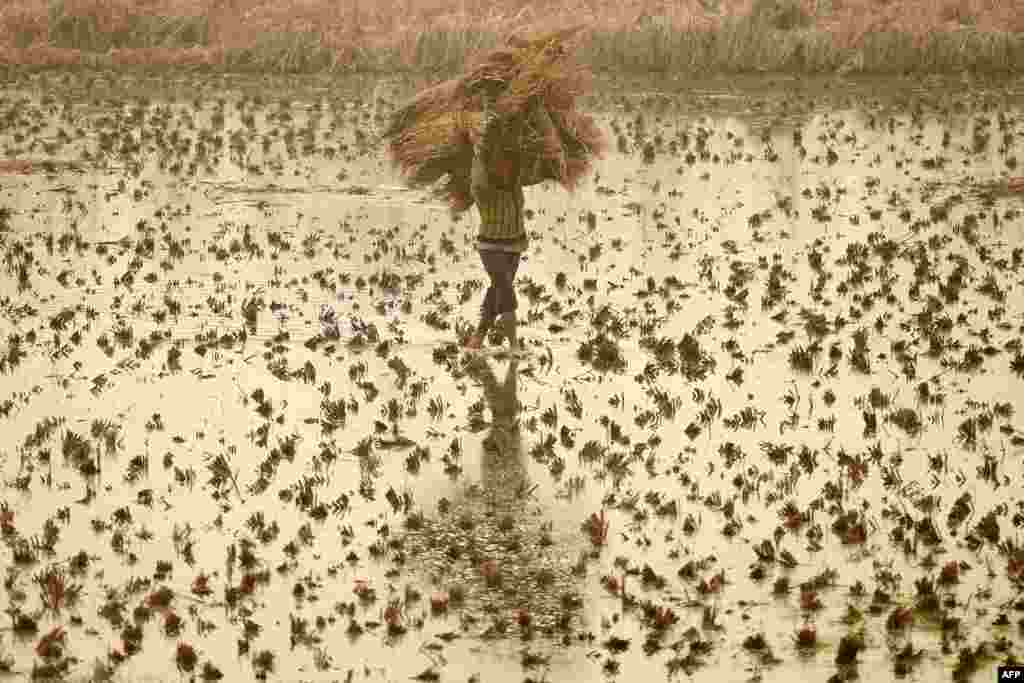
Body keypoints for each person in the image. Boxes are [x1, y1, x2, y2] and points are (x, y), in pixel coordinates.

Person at [463, 80, 550, 354]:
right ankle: (513, 345)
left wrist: (537, 110)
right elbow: (482, 149)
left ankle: (476, 339)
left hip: (515, 242)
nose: (505, 166)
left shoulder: (515, 175)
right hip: (490, 245)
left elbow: (543, 154)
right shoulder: (482, 182)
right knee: (505, 290)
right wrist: (489, 120)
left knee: (498, 290)